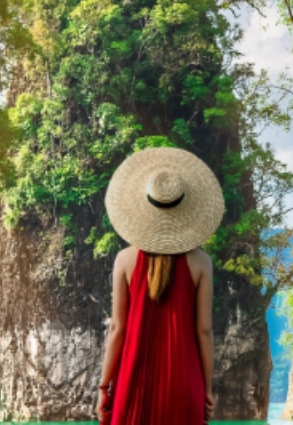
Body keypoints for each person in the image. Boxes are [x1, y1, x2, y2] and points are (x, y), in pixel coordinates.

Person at [94, 147, 227, 423]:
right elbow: (204, 330)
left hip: (133, 382)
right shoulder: (201, 262)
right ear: (188, 208)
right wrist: (207, 390)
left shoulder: (125, 260)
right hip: (185, 383)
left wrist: (104, 387)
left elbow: (118, 329)